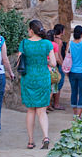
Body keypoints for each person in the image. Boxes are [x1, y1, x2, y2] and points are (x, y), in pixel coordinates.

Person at [17, 19, 56, 150]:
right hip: (43, 78)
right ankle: (45, 137)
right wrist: (45, 62)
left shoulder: (24, 43)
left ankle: (30, 141)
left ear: (31, 30)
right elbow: (54, 63)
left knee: (30, 110)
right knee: (42, 111)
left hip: (28, 78)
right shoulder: (47, 44)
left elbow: (19, 62)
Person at [45, 29, 62, 112]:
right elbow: (56, 58)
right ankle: (46, 105)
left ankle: (46, 106)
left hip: (43, 67)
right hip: (51, 68)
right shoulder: (54, 45)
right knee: (52, 88)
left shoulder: (43, 44)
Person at [53, 23, 66, 110]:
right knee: (59, 84)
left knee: (53, 84)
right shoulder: (59, 41)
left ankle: (51, 103)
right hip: (58, 64)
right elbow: (59, 55)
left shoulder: (52, 39)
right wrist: (63, 64)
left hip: (51, 64)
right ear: (61, 31)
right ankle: (56, 104)